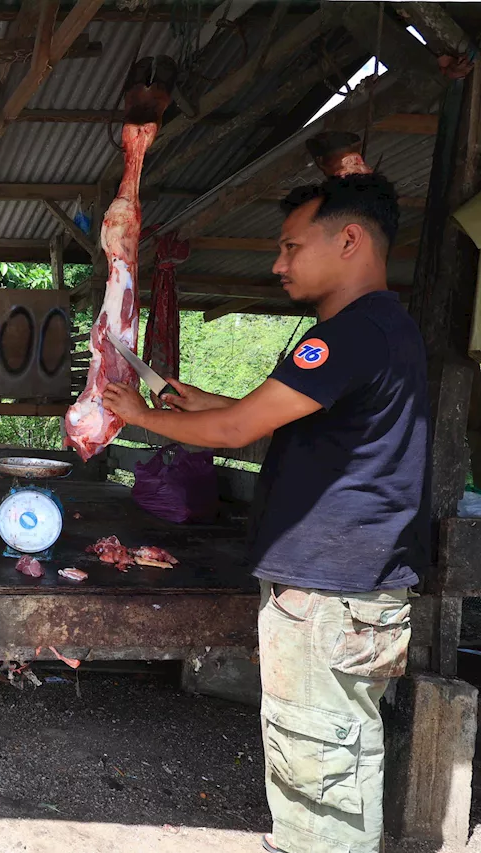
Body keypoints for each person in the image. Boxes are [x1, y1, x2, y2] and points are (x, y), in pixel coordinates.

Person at [103, 173, 426, 853]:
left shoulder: (349, 334)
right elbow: (266, 418)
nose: (277, 264)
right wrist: (189, 399)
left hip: (330, 594)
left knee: (320, 772)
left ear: (348, 239)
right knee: (332, 757)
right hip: (344, 591)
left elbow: (236, 430)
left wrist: (135, 414)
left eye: (290, 246)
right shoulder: (374, 331)